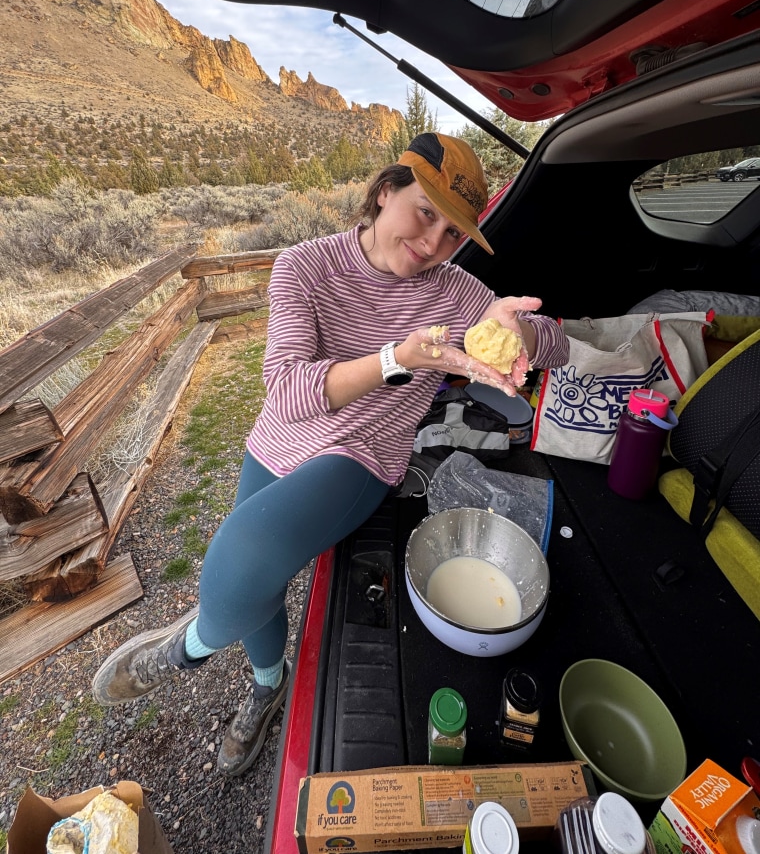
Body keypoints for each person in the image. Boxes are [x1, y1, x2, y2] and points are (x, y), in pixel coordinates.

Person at [92, 132, 570, 776]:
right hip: (280, 439)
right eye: (425, 213)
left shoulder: (456, 292)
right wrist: (396, 358)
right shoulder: (305, 266)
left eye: (453, 233)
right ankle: (268, 685)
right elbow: (287, 394)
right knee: (256, 586)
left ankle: (186, 649)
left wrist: (522, 334)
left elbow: (554, 346)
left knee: (242, 557)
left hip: (360, 454)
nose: (434, 243)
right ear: (384, 192)